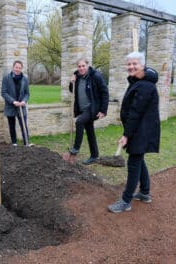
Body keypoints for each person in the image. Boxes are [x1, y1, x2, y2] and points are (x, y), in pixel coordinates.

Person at [108, 51, 160, 213]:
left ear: (142, 65)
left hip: (141, 130)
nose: (131, 67)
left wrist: (126, 135)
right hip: (140, 129)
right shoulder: (139, 81)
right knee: (139, 158)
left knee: (134, 162)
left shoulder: (144, 85)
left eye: (134, 64)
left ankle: (125, 201)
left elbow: (136, 112)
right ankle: (144, 192)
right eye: (129, 64)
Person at [68, 58, 109, 165]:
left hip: (92, 108)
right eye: (79, 66)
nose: (81, 68)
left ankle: (76, 148)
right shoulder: (76, 76)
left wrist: (103, 110)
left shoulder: (95, 76)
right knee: (90, 131)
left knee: (79, 122)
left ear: (87, 65)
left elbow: (105, 93)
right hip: (82, 109)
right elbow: (72, 90)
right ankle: (94, 155)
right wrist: (71, 82)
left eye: (83, 66)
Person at [1, 60, 31, 146]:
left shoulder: (25, 79)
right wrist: (13, 101)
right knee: (12, 125)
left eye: (19, 68)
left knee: (24, 125)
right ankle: (14, 143)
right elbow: (4, 93)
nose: (17, 69)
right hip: (10, 106)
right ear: (13, 67)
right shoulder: (6, 78)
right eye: (16, 67)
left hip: (21, 106)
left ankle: (26, 143)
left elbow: (27, 93)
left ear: (21, 69)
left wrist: (24, 101)